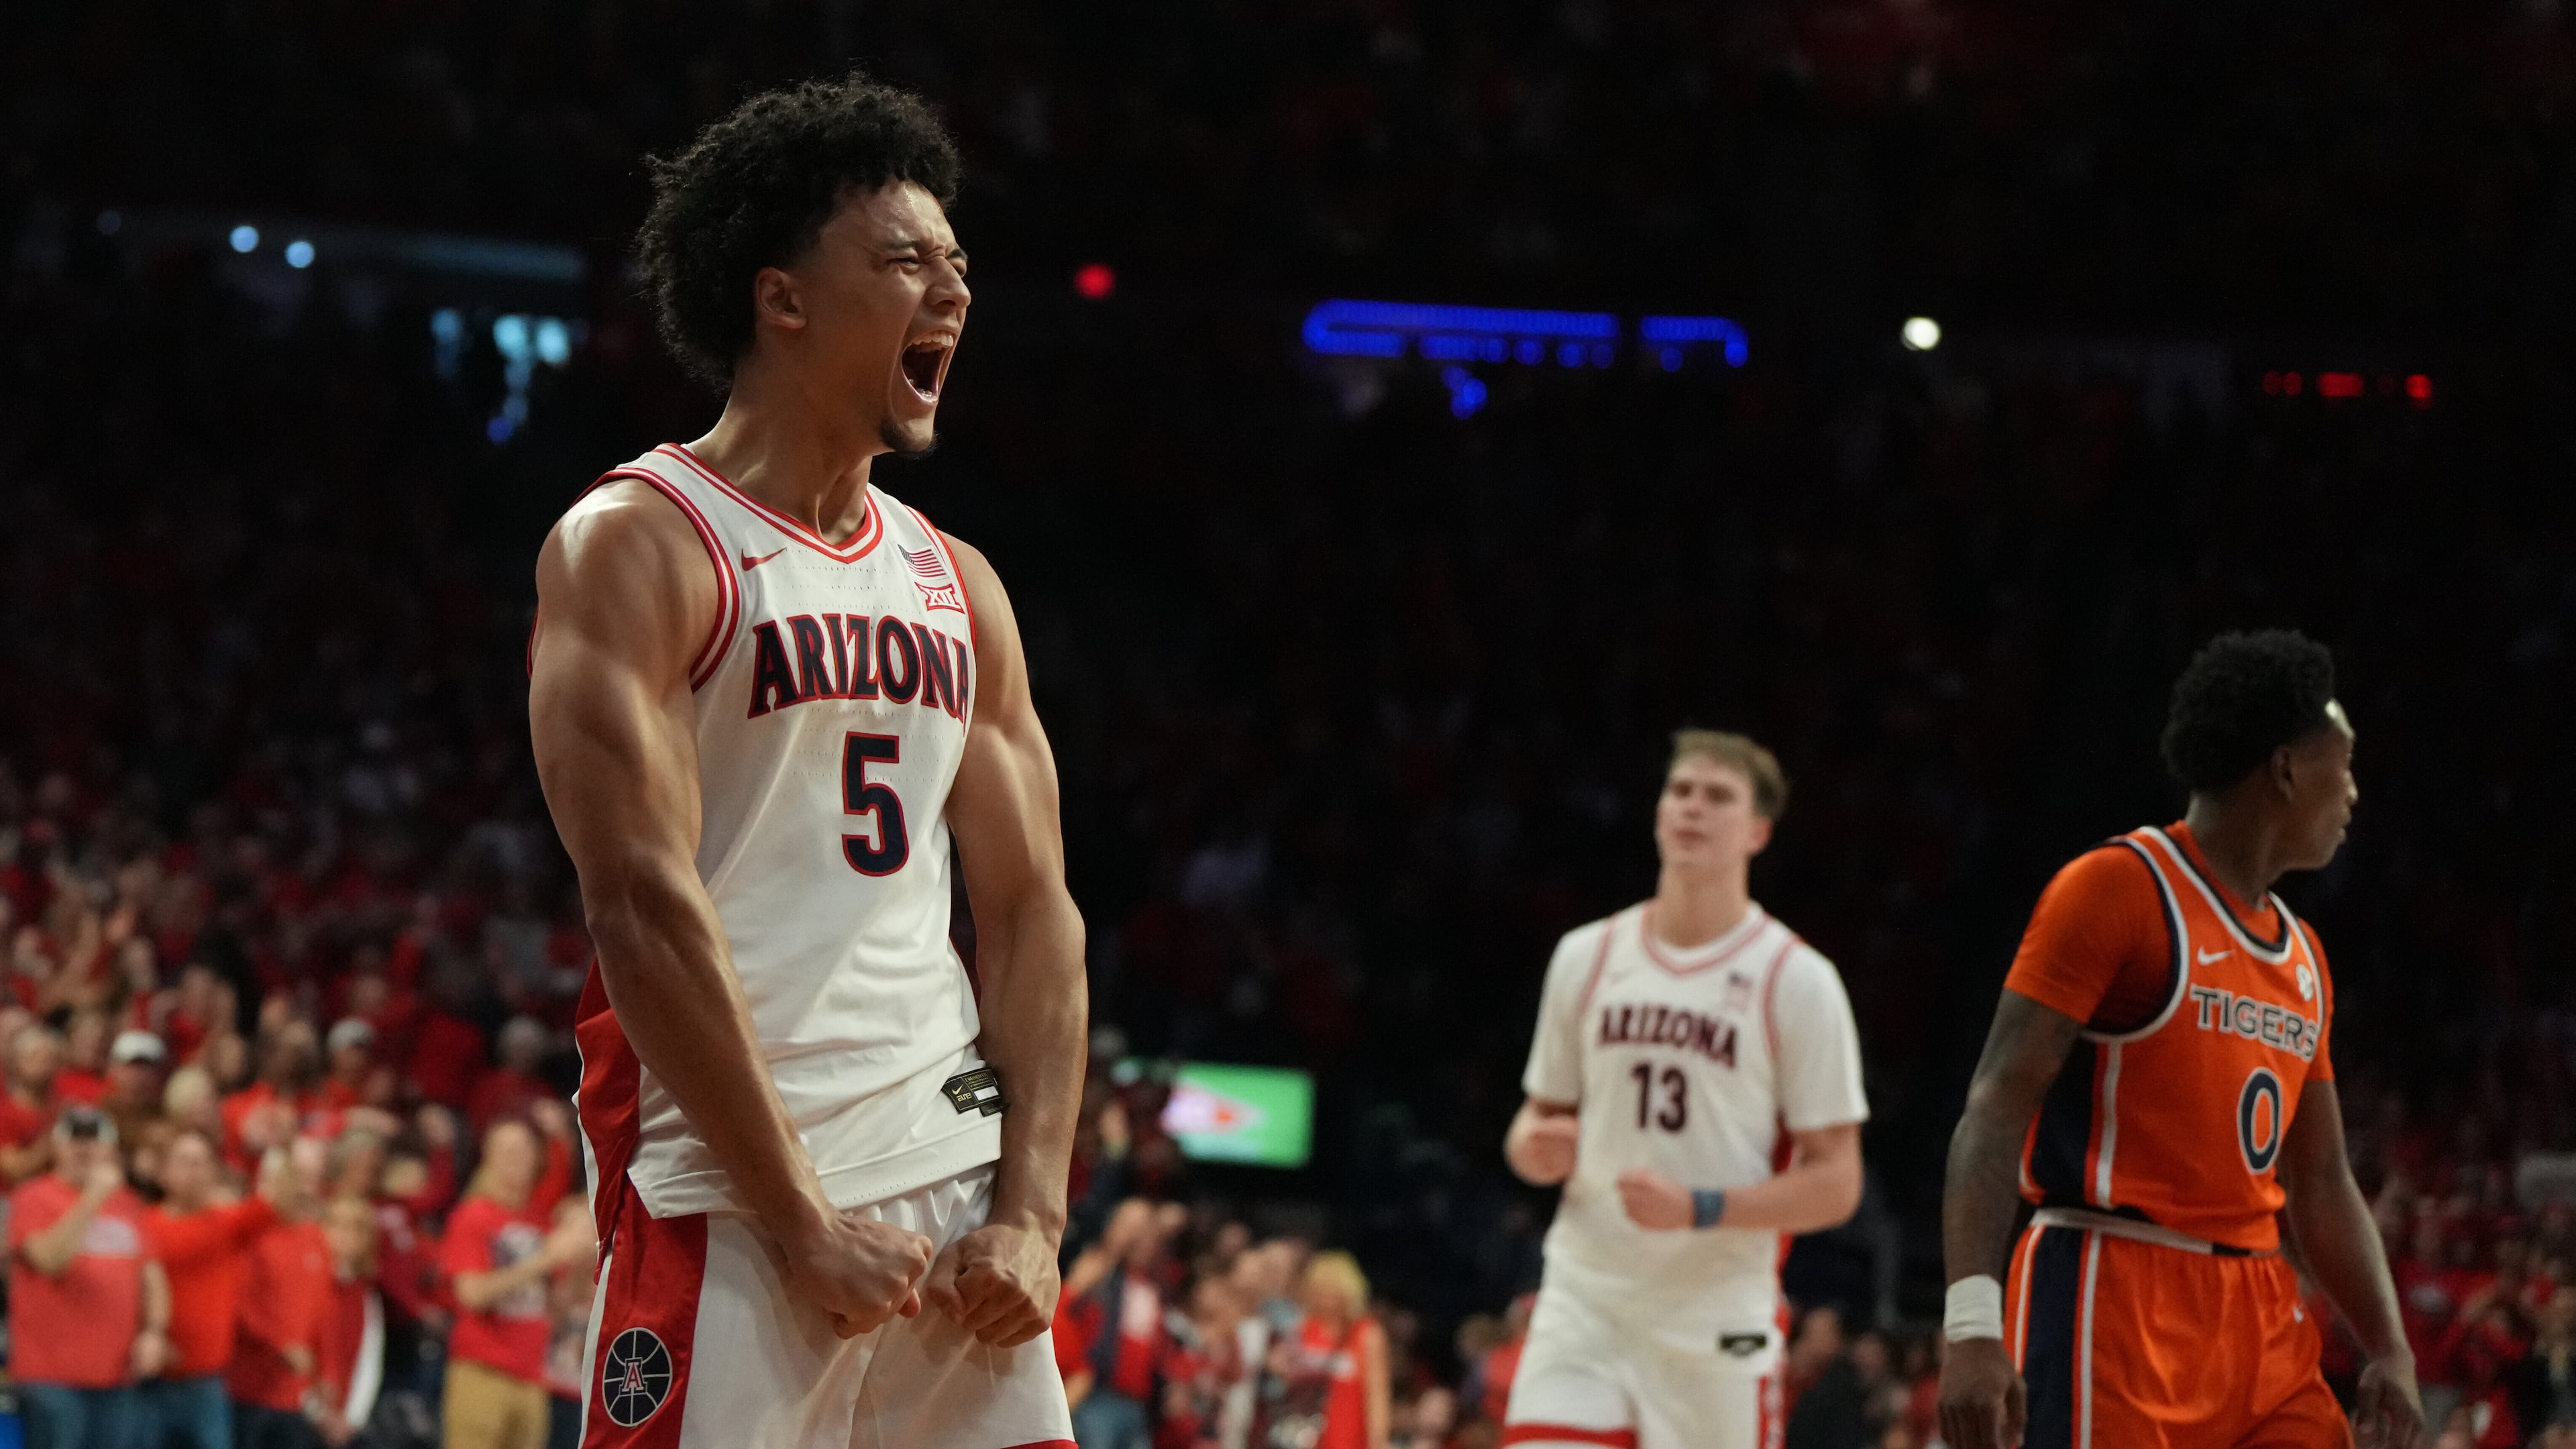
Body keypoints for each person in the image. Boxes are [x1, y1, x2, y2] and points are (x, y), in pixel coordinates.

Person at [529, 70, 1086, 1449]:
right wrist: (797, 1219)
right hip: (738, 1190)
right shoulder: (639, 543)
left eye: (959, 263)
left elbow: (1033, 914)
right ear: (781, 299)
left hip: (950, 1184)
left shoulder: (960, 583)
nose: (951, 291)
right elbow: (639, 905)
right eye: (905, 260)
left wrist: (1031, 1210)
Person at [1935, 630, 2424, 1449]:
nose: (2353, 794)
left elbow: (2323, 1177)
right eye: (2344, 764)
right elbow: (1994, 1103)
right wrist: (1971, 1323)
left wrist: (2390, 1347)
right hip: (2113, 1287)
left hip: (2260, 1308)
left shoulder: (2304, 957)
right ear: (2287, 767)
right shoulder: (2116, 891)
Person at [1501, 730, 1869, 1449]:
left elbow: (1838, 1182)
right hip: (1587, 1299)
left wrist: (1701, 1207)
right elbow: (1533, 1121)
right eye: (1681, 791)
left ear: (1758, 832)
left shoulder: (1795, 980)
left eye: (1718, 796)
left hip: (1714, 1317)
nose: (1693, 808)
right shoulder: (1588, 955)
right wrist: (1531, 1149)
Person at [9, 1104, 172, 1449]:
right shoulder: (33, 1198)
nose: (83, 1149)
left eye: (93, 1140)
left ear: (109, 1149)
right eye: (74, 1140)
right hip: (50, 1378)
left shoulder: (128, 1205)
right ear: (56, 1147)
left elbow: (152, 1276)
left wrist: (154, 1332)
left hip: (116, 1376)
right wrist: (93, 1197)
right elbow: (50, 1260)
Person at [441, 1118, 594, 1449]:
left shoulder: (539, 1220)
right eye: (510, 1150)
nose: (520, 1158)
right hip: (482, 1372)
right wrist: (545, 1260)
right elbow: (472, 1295)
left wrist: (578, 1266)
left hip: (532, 1377)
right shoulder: (474, 1215)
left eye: (526, 1150)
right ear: (489, 1157)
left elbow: (552, 1306)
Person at [147, 1128, 282, 1449]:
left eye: (202, 1163)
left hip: (207, 1384)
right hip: (150, 1382)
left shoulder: (227, 1223)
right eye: (184, 1162)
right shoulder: (143, 1226)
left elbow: (277, 1202)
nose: (194, 1171)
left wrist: (280, 1150)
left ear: (213, 1172)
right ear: (164, 1171)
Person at [229, 1137, 333, 1449]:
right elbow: (240, 1303)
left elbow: (323, 1312)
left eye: (311, 1179)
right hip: (248, 1388)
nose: (303, 1188)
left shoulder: (316, 1238)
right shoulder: (251, 1233)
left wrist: (327, 1372)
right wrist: (281, 1344)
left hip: (294, 1396)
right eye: (297, 1178)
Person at [1273, 1253, 1388, 1449]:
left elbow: (1377, 1396)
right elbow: (1280, 1371)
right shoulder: (1302, 1328)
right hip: (1303, 1436)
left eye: (1333, 1289)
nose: (1327, 1297)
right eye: (1321, 1289)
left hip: (1348, 1439)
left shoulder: (1366, 1333)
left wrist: (1379, 1441)